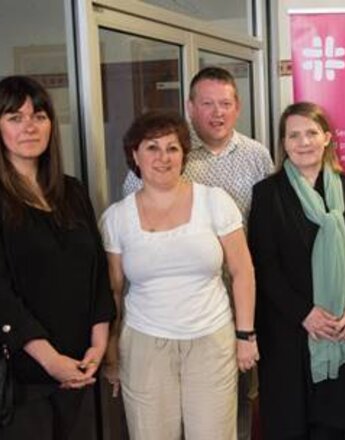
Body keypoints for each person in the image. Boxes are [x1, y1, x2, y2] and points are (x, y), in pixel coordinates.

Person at [122, 66, 272, 439]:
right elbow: (132, 230)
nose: (217, 112)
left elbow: (269, 231)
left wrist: (248, 327)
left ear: (237, 107)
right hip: (163, 316)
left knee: (227, 415)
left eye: (225, 103)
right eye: (207, 103)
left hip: (235, 308)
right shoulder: (167, 151)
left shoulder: (257, 156)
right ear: (190, 107)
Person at [248, 102, 345, 439]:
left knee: (337, 425)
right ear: (284, 143)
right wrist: (304, 313)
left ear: (327, 138)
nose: (303, 142)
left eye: (311, 133)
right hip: (289, 335)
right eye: (294, 135)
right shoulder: (267, 194)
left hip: (341, 329)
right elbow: (264, 266)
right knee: (291, 424)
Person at [0, 75, 115, 439]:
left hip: (82, 366)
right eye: (14, 118)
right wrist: (50, 361)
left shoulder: (73, 191)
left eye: (39, 115)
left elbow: (97, 273)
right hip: (26, 378)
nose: (29, 127)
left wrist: (98, 345)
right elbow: (2, 295)